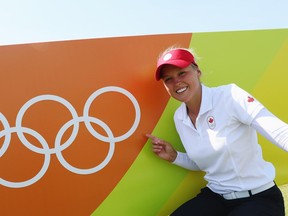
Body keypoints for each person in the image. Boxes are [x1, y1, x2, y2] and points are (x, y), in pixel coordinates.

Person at [146, 47, 288, 215]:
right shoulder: (179, 118)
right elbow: (204, 162)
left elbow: (279, 131)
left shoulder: (230, 95)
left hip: (258, 198)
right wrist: (175, 157)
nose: (176, 82)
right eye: (168, 79)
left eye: (182, 73)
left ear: (197, 71)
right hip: (216, 197)